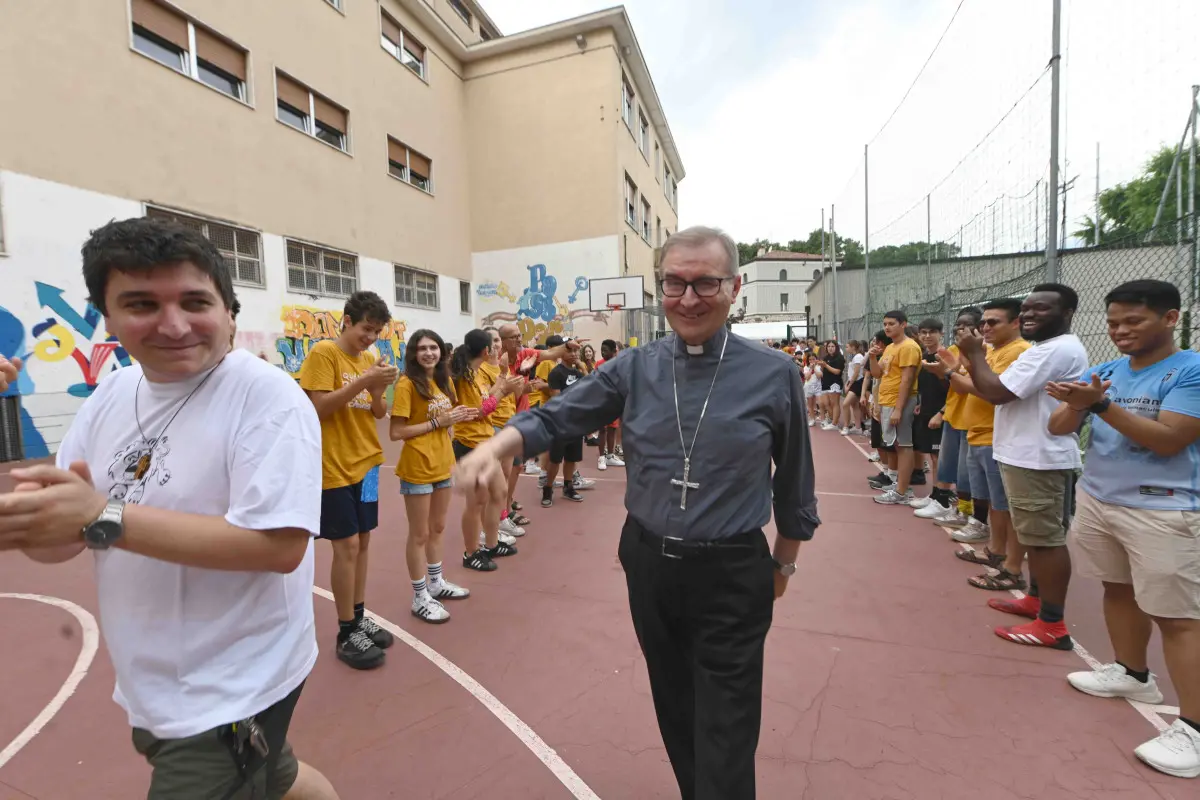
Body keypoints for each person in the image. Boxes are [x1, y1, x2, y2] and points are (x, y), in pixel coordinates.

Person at [452, 226, 819, 800]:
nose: (689, 298)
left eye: (706, 283)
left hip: (732, 571)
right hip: (650, 564)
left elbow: (795, 479)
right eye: (675, 283)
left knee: (726, 726)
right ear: (659, 288)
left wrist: (785, 563)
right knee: (675, 707)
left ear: (735, 287)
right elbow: (557, 418)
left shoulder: (773, 374)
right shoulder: (635, 367)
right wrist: (495, 447)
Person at [2, 217, 338, 799]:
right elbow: (65, 539)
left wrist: (103, 515)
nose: (174, 325)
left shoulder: (267, 398)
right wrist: (36, 520)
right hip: (152, 677)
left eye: (193, 301)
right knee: (278, 777)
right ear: (107, 318)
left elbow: (280, 547)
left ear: (229, 311)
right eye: (141, 304)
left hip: (235, 684)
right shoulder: (109, 396)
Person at [1046, 279, 1200, 778]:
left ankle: (1195, 730)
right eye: (1113, 322)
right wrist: (1076, 401)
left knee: (1178, 617)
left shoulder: (1190, 371)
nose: (1121, 331)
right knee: (1118, 589)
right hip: (1100, 499)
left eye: (1134, 321)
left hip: (1164, 509)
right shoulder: (1106, 371)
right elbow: (1058, 428)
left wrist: (1099, 405)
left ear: (1170, 318)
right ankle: (1133, 673)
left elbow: (1169, 441)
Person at [956, 283, 1088, 649]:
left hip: (1038, 457)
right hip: (1024, 453)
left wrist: (974, 354)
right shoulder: (1046, 349)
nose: (1030, 314)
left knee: (1045, 540)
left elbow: (996, 391)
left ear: (1066, 314)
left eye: (1041, 309)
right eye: (1027, 308)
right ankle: (1035, 598)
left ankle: (1052, 624)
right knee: (1033, 535)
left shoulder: (1052, 351)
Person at [299, 291, 398, 670]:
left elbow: (377, 412)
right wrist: (366, 380)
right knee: (347, 545)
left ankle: (358, 616)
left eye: (376, 331)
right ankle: (345, 630)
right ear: (347, 320)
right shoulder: (324, 354)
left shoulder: (370, 359)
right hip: (332, 465)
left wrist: (376, 390)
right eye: (366, 329)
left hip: (368, 463)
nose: (370, 338)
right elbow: (319, 407)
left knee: (365, 541)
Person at [391, 329, 475, 623]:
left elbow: (448, 422)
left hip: (442, 464)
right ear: (414, 353)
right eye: (423, 348)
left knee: (438, 527)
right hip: (417, 467)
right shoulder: (407, 385)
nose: (429, 353)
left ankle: (436, 583)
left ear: (442, 352)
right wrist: (439, 422)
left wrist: (455, 420)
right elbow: (397, 431)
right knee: (419, 534)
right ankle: (419, 595)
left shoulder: (443, 381)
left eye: (434, 348)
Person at [450, 329, 523, 572]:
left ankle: (491, 544)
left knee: (499, 491)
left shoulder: (475, 374)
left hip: (484, 441)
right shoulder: (466, 376)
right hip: (470, 444)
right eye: (493, 343)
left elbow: (484, 398)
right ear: (485, 350)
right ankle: (471, 552)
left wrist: (502, 385)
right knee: (477, 502)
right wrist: (503, 391)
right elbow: (478, 410)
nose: (497, 347)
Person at [869, 311, 922, 504]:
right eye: (885, 324)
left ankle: (902, 492)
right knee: (896, 445)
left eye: (891, 323)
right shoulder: (890, 347)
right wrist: (873, 357)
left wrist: (899, 409)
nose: (887, 327)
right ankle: (901, 485)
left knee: (904, 445)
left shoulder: (908, 347)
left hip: (901, 402)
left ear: (903, 324)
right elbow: (877, 374)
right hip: (886, 400)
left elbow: (907, 380)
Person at [542, 344, 587, 507]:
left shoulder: (578, 372)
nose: (574, 354)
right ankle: (547, 489)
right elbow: (557, 399)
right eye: (570, 351)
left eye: (576, 351)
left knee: (572, 458)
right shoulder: (556, 373)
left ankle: (568, 487)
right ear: (562, 352)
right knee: (555, 460)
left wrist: (583, 367)